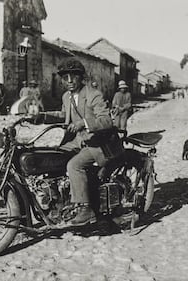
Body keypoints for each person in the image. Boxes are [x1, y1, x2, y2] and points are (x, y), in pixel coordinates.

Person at [36, 58, 124, 226]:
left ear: (80, 77)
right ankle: (57, 203)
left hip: (98, 143)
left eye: (73, 76)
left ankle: (86, 209)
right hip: (78, 141)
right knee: (51, 158)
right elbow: (64, 116)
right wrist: (40, 117)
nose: (69, 81)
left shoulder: (93, 94)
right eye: (65, 77)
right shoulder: (66, 97)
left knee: (74, 166)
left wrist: (83, 123)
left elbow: (106, 120)